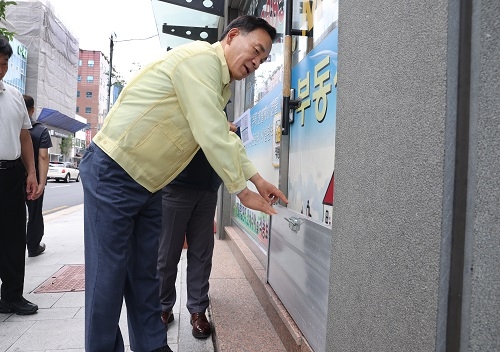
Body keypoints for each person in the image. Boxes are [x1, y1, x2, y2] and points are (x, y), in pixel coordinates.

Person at [78, 15, 286, 352]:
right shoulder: (201, 61)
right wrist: (242, 190)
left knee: (145, 275)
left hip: (149, 184)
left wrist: (258, 179)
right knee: (108, 277)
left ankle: (152, 346)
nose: (256, 64)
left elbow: (222, 135)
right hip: (115, 172)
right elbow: (210, 131)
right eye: (256, 50)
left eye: (263, 60)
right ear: (233, 36)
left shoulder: (219, 84)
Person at [158, 122, 238, 339]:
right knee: (166, 253)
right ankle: (163, 307)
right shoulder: (192, 90)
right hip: (176, 183)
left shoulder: (221, 101)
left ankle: (197, 310)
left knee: (202, 253)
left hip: (208, 186)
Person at [0, 36, 39, 315]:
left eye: (3, 64)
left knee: (14, 237)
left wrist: (32, 173)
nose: (0, 70)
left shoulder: (13, 95)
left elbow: (25, 137)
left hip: (11, 174)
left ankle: (12, 296)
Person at [23, 94, 53, 257]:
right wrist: (42, 182)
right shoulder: (41, 130)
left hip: (12, 177)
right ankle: (33, 247)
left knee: (12, 213)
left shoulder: (11, 126)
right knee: (34, 213)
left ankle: (13, 247)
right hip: (33, 180)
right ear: (32, 110)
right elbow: (43, 156)